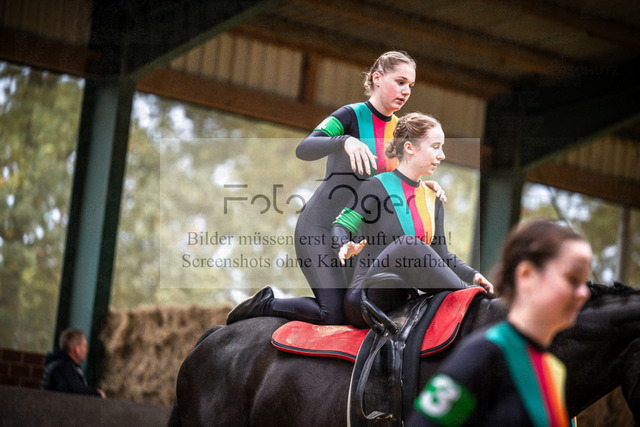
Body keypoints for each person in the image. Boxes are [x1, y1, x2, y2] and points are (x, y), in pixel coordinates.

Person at [227, 51, 444, 325]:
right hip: (320, 227)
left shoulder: (400, 130)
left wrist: (421, 184)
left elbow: (398, 177)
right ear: (377, 79)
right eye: (400, 82)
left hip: (357, 237)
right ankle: (265, 303)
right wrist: (344, 141)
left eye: (410, 85)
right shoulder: (350, 115)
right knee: (333, 314)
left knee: (358, 315)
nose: (406, 91)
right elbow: (305, 148)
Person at [408, 220, 592, 426]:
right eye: (572, 278)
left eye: (584, 281)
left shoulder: (554, 370)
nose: (584, 293)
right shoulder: (481, 354)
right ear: (526, 275)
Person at [332, 112, 492, 327]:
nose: (442, 155)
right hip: (365, 298)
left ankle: (470, 294)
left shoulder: (434, 198)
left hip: (406, 301)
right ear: (409, 147)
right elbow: (341, 225)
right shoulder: (375, 186)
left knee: (412, 246)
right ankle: (470, 298)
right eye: (435, 147)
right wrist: (342, 244)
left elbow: (442, 255)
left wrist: (473, 275)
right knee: (408, 244)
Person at [40, 329, 106, 398]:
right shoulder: (62, 367)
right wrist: (97, 393)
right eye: (85, 346)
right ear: (77, 349)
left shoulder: (63, 364)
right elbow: (74, 390)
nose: (86, 351)